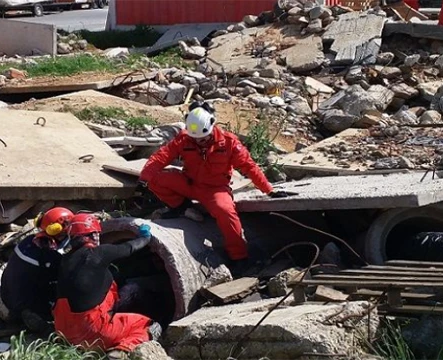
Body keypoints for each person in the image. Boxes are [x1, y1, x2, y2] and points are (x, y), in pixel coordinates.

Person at [138, 101, 293, 273]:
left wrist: (268, 190)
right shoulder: (184, 138)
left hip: (215, 190)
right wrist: (144, 178)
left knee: (226, 213)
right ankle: (182, 208)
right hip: (190, 183)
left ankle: (239, 256)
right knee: (156, 179)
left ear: (212, 126)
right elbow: (162, 156)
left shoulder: (229, 143)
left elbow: (249, 167)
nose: (199, 142)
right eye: (195, 139)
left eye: (203, 139)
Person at [53, 214, 161, 360]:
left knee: (126, 288)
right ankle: (120, 351)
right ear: (93, 235)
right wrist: (145, 237)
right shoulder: (98, 253)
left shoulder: (65, 260)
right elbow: (129, 247)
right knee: (150, 326)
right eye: (97, 234)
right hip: (93, 331)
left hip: (63, 331)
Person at [0, 207, 74, 332]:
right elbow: (60, 275)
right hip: (26, 302)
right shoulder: (49, 255)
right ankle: (36, 315)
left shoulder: (28, 241)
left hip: (7, 293)